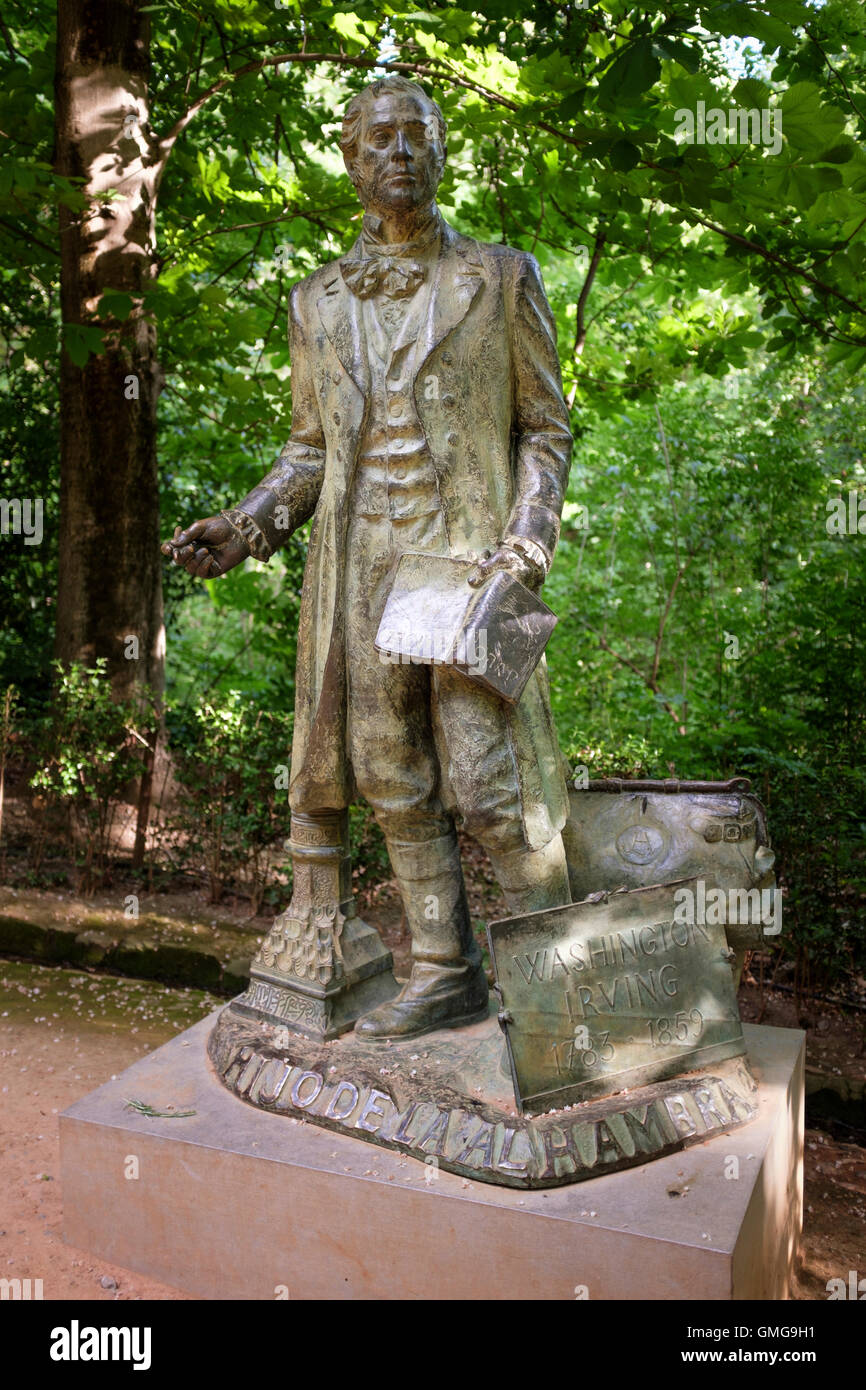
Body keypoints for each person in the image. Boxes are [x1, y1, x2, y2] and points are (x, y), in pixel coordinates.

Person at [165, 76, 573, 1041]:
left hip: (474, 566)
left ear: (441, 151)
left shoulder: (501, 276)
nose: (398, 151)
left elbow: (546, 430)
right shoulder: (314, 301)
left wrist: (529, 539)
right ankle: (445, 970)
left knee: (488, 780)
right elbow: (309, 449)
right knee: (391, 772)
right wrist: (251, 523)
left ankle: (569, 981)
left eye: (416, 135)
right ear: (350, 159)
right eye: (378, 137)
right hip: (364, 570)